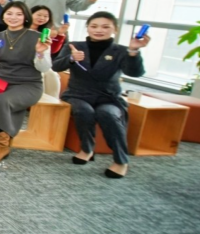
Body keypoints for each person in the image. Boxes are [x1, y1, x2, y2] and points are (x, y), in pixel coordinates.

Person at [56, 12, 149, 179]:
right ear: (87, 28)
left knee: (108, 114)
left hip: (108, 97)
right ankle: (87, 149)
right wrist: (71, 58)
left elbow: (134, 73)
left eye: (105, 27)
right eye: (94, 26)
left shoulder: (121, 51)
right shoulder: (74, 46)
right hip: (77, 94)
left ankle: (121, 161)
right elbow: (55, 66)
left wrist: (133, 51)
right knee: (84, 111)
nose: (99, 30)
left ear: (115, 29)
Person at [0, 2, 54, 161]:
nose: (13, 17)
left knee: (2, 101)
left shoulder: (38, 37)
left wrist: (40, 53)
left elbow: (44, 68)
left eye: (19, 14)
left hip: (28, 84)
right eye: (9, 13)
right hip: (2, 81)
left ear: (26, 17)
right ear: (3, 16)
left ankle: (2, 145)